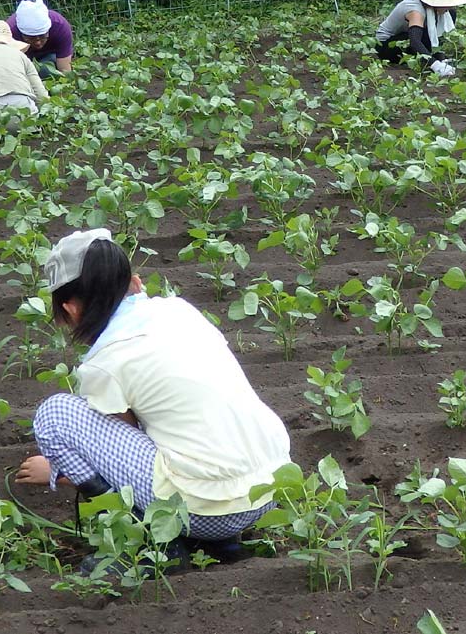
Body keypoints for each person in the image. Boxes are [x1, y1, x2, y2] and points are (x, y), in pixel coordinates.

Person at [15, 228, 292, 565]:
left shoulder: (106, 361)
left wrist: (60, 471)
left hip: (208, 512)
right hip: (271, 489)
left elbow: (127, 442)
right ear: (135, 283)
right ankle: (223, 543)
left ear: (71, 309)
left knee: (55, 414)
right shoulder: (180, 310)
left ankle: (155, 542)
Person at [374, 0, 466, 77]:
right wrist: (435, 64)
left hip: (407, 40)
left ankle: (435, 58)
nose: (452, 5)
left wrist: (440, 58)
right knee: (423, 35)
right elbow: (415, 41)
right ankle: (430, 61)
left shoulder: (443, 11)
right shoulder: (416, 11)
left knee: (451, 13)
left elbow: (439, 33)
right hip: (387, 46)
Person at [7, 0, 74, 78]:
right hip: (22, 62)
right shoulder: (10, 32)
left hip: (49, 57)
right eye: (31, 38)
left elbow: (65, 70)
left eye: (42, 36)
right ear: (22, 33)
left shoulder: (60, 26)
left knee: (48, 67)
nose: (38, 42)